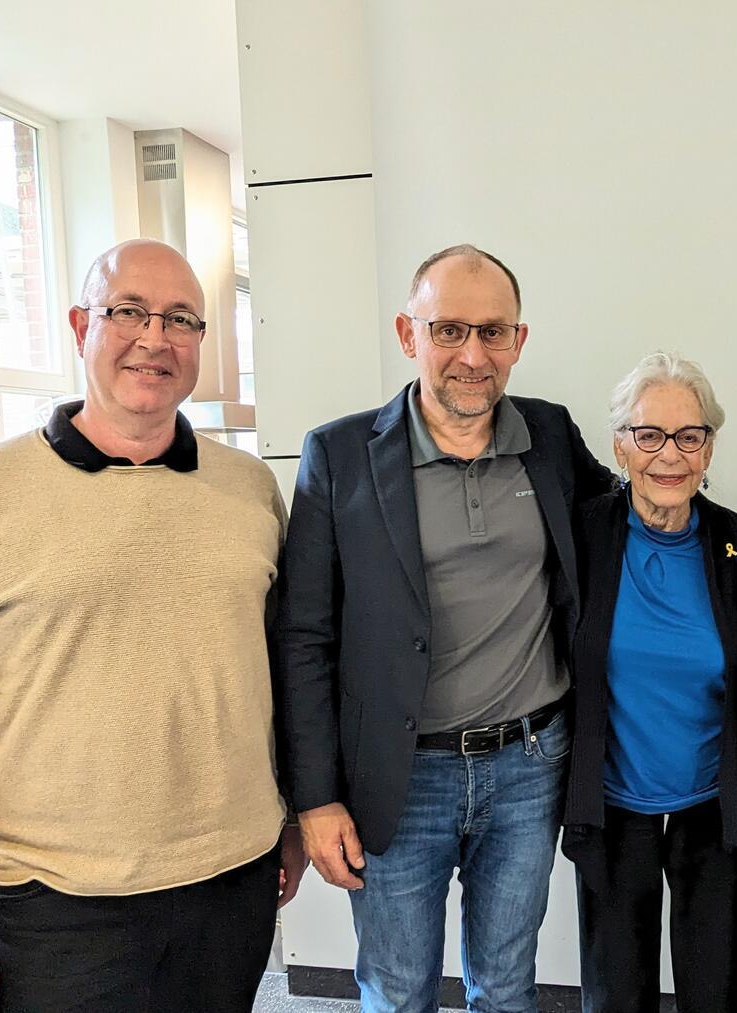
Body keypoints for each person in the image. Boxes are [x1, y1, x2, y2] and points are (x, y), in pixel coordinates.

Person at [0, 239, 306, 1012]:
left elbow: (279, 675)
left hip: (230, 883)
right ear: (80, 325)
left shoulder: (248, 490)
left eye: (180, 319)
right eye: (127, 312)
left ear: (202, 341)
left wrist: (289, 819)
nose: (154, 338)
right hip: (53, 903)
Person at [277, 244, 614, 1013]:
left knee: (506, 985)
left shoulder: (552, 437)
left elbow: (628, 521)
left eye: (493, 332)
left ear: (519, 341)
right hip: (398, 776)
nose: (472, 354)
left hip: (530, 765)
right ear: (408, 334)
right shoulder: (340, 455)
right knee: (397, 991)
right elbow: (304, 638)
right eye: (449, 330)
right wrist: (316, 797)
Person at [561, 352, 737, 1013]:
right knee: (616, 996)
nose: (669, 454)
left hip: (714, 808)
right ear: (620, 445)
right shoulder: (580, 535)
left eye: (690, 434)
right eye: (648, 434)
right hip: (613, 808)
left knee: (714, 994)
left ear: (709, 447)